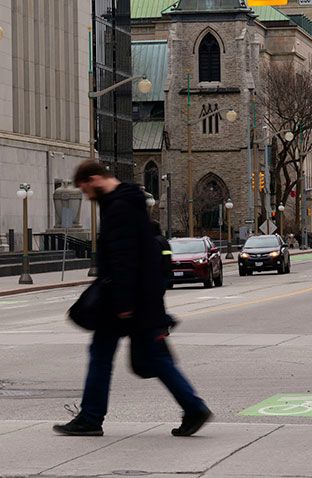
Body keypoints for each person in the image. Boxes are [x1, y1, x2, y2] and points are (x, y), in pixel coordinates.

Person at [54, 159, 211, 438]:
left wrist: (124, 304)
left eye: (86, 190)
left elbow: (124, 258)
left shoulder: (119, 207)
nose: (87, 197)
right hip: (140, 298)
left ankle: (91, 417)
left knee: (107, 356)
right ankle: (193, 407)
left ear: (94, 179)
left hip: (125, 300)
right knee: (149, 357)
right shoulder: (127, 200)